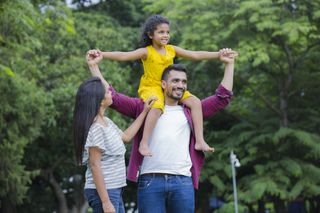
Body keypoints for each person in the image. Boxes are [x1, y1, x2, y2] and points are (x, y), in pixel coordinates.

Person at [86, 48, 236, 213]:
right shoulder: (144, 106)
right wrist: (94, 67)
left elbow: (222, 98)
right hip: (150, 181)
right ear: (163, 84)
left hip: (182, 181)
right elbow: (112, 96)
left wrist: (229, 64)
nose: (180, 85)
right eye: (175, 81)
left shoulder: (191, 111)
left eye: (184, 82)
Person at [97, 14, 237, 156]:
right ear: (150, 34)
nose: (165, 35)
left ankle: (199, 140)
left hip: (169, 86)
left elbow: (195, 55)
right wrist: (102, 54)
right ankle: (144, 143)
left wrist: (218, 55)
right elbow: (124, 56)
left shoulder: (171, 49)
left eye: (167, 32)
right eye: (161, 32)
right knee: (156, 106)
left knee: (195, 102)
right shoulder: (146, 51)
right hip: (151, 87)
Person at [72, 66, 156, 212]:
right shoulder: (97, 128)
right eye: (106, 91)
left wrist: (145, 112)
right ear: (99, 101)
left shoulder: (106, 122)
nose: (110, 91)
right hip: (104, 193)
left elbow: (126, 136)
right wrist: (105, 201)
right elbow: (95, 165)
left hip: (114, 190)